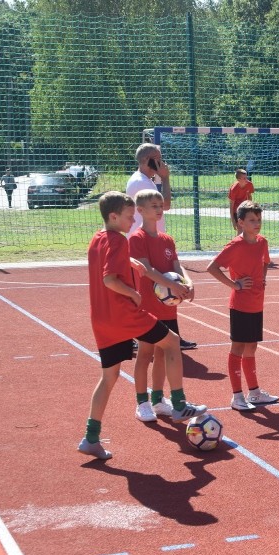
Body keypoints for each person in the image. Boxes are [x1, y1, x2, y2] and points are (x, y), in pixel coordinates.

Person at [78, 191, 207, 460]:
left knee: (109, 377)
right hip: (124, 315)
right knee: (171, 342)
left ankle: (91, 437)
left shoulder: (97, 239)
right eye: (128, 217)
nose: (131, 221)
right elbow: (109, 280)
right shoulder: (119, 240)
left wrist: (134, 266)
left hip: (101, 320)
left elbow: (120, 266)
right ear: (113, 216)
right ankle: (180, 405)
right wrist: (132, 293)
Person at [128, 189, 195, 423]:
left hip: (168, 306)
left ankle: (158, 399)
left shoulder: (167, 239)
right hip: (147, 306)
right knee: (145, 353)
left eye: (160, 205)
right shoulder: (137, 238)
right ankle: (142, 402)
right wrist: (172, 285)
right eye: (153, 206)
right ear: (140, 210)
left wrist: (187, 283)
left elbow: (177, 265)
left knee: (162, 352)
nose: (158, 209)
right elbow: (146, 270)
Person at [207, 200, 279, 411]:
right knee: (238, 347)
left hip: (257, 303)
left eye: (259, 219)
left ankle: (255, 393)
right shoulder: (235, 246)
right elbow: (212, 267)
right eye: (252, 220)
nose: (257, 223)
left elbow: (265, 262)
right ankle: (237, 396)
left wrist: (263, 277)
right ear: (240, 223)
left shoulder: (262, 242)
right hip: (240, 304)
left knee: (252, 347)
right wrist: (234, 285)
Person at [125, 143, 196, 350]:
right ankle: (140, 336)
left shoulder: (144, 179)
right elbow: (165, 204)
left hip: (155, 239)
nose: (162, 162)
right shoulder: (140, 182)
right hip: (144, 242)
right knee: (150, 292)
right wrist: (165, 178)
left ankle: (170, 335)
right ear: (148, 160)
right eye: (158, 158)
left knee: (164, 289)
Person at [228, 168, 255, 234]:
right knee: (240, 230)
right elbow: (231, 206)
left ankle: (247, 244)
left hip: (245, 208)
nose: (246, 180)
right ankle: (238, 243)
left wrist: (250, 208)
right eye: (244, 178)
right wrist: (233, 221)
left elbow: (249, 197)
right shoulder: (234, 189)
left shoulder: (249, 184)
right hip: (236, 211)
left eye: (246, 177)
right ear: (238, 180)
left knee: (248, 229)